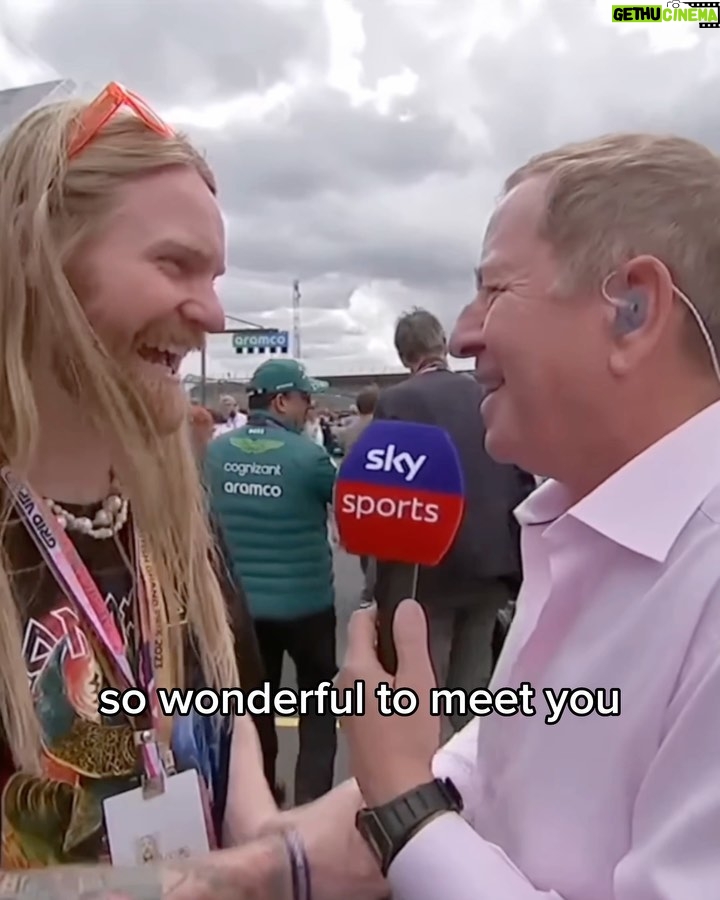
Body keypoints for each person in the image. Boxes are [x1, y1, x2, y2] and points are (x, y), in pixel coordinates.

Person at [0, 81, 386, 899]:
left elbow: (230, 724)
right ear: (36, 258)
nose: (213, 315)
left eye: (214, 275)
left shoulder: (177, 519)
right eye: (175, 264)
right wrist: (253, 872)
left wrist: (265, 824)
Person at [331, 132, 720, 899]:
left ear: (633, 311)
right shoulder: (580, 524)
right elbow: (499, 767)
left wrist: (406, 809)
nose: (465, 329)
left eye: (496, 290)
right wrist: (271, 863)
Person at [364, 308, 532, 734]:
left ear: (405, 357)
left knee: (426, 692)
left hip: (429, 570)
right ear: (441, 344)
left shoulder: (398, 402)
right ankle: (471, 784)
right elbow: (520, 475)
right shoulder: (487, 393)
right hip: (492, 564)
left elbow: (383, 493)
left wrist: (378, 580)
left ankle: (434, 788)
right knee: (474, 692)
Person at [204, 358, 339, 806]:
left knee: (253, 711)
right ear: (282, 401)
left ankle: (259, 795)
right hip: (308, 607)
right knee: (319, 708)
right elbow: (347, 518)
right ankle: (312, 799)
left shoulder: (216, 454)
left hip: (242, 614)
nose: (310, 407)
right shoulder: (311, 457)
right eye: (304, 398)